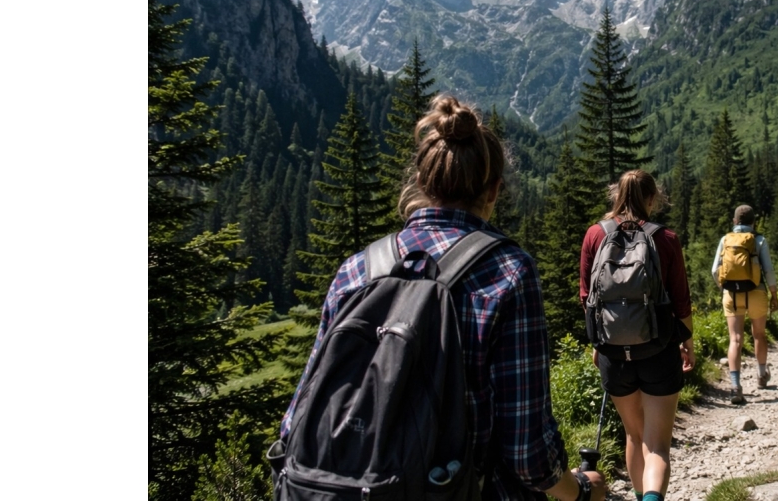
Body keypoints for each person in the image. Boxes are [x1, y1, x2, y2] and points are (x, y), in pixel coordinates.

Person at [281, 95, 605, 501]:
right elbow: (527, 452)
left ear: (420, 180)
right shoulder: (509, 271)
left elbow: (295, 422)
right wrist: (579, 490)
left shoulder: (356, 271)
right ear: (494, 190)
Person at [579, 170, 694, 501]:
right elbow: (681, 299)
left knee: (633, 434)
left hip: (613, 353)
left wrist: (598, 342)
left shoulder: (594, 235)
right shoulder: (665, 238)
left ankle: (639, 492)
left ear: (616, 195)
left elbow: (587, 296)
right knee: (657, 444)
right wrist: (688, 341)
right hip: (659, 349)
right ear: (652, 198)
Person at [710, 205, 778, 405]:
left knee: (735, 339)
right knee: (759, 334)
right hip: (756, 291)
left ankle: (735, 387)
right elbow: (769, 270)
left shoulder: (725, 240)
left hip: (731, 294)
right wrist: (774, 294)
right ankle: (762, 375)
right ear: (753, 222)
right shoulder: (759, 240)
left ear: (734, 221)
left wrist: (724, 287)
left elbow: (715, 270)